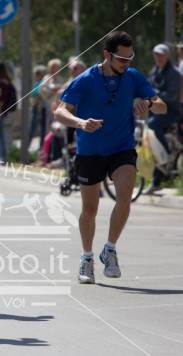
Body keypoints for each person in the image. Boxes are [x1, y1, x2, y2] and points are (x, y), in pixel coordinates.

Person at [54, 31, 166, 284]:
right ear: (107, 55)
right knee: (89, 209)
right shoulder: (85, 80)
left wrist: (148, 105)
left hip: (122, 147)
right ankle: (86, 257)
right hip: (90, 150)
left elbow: (162, 105)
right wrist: (81, 123)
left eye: (130, 58)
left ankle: (110, 249)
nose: (126, 64)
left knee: (125, 194)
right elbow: (60, 112)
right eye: (121, 59)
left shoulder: (133, 77)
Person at [144, 44, 182, 194]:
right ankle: (155, 182)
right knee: (152, 145)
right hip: (157, 111)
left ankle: (165, 154)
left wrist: (153, 94)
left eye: (161, 55)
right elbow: (147, 86)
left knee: (153, 126)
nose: (158, 57)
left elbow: (171, 96)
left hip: (172, 111)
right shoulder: (155, 70)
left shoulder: (174, 73)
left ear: (167, 56)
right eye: (156, 54)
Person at [28, 65, 47, 149]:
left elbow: (40, 95)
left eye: (38, 73)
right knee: (32, 128)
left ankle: (41, 148)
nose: (36, 75)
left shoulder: (43, 83)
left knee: (42, 129)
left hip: (40, 108)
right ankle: (27, 146)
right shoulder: (36, 83)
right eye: (36, 73)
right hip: (35, 108)